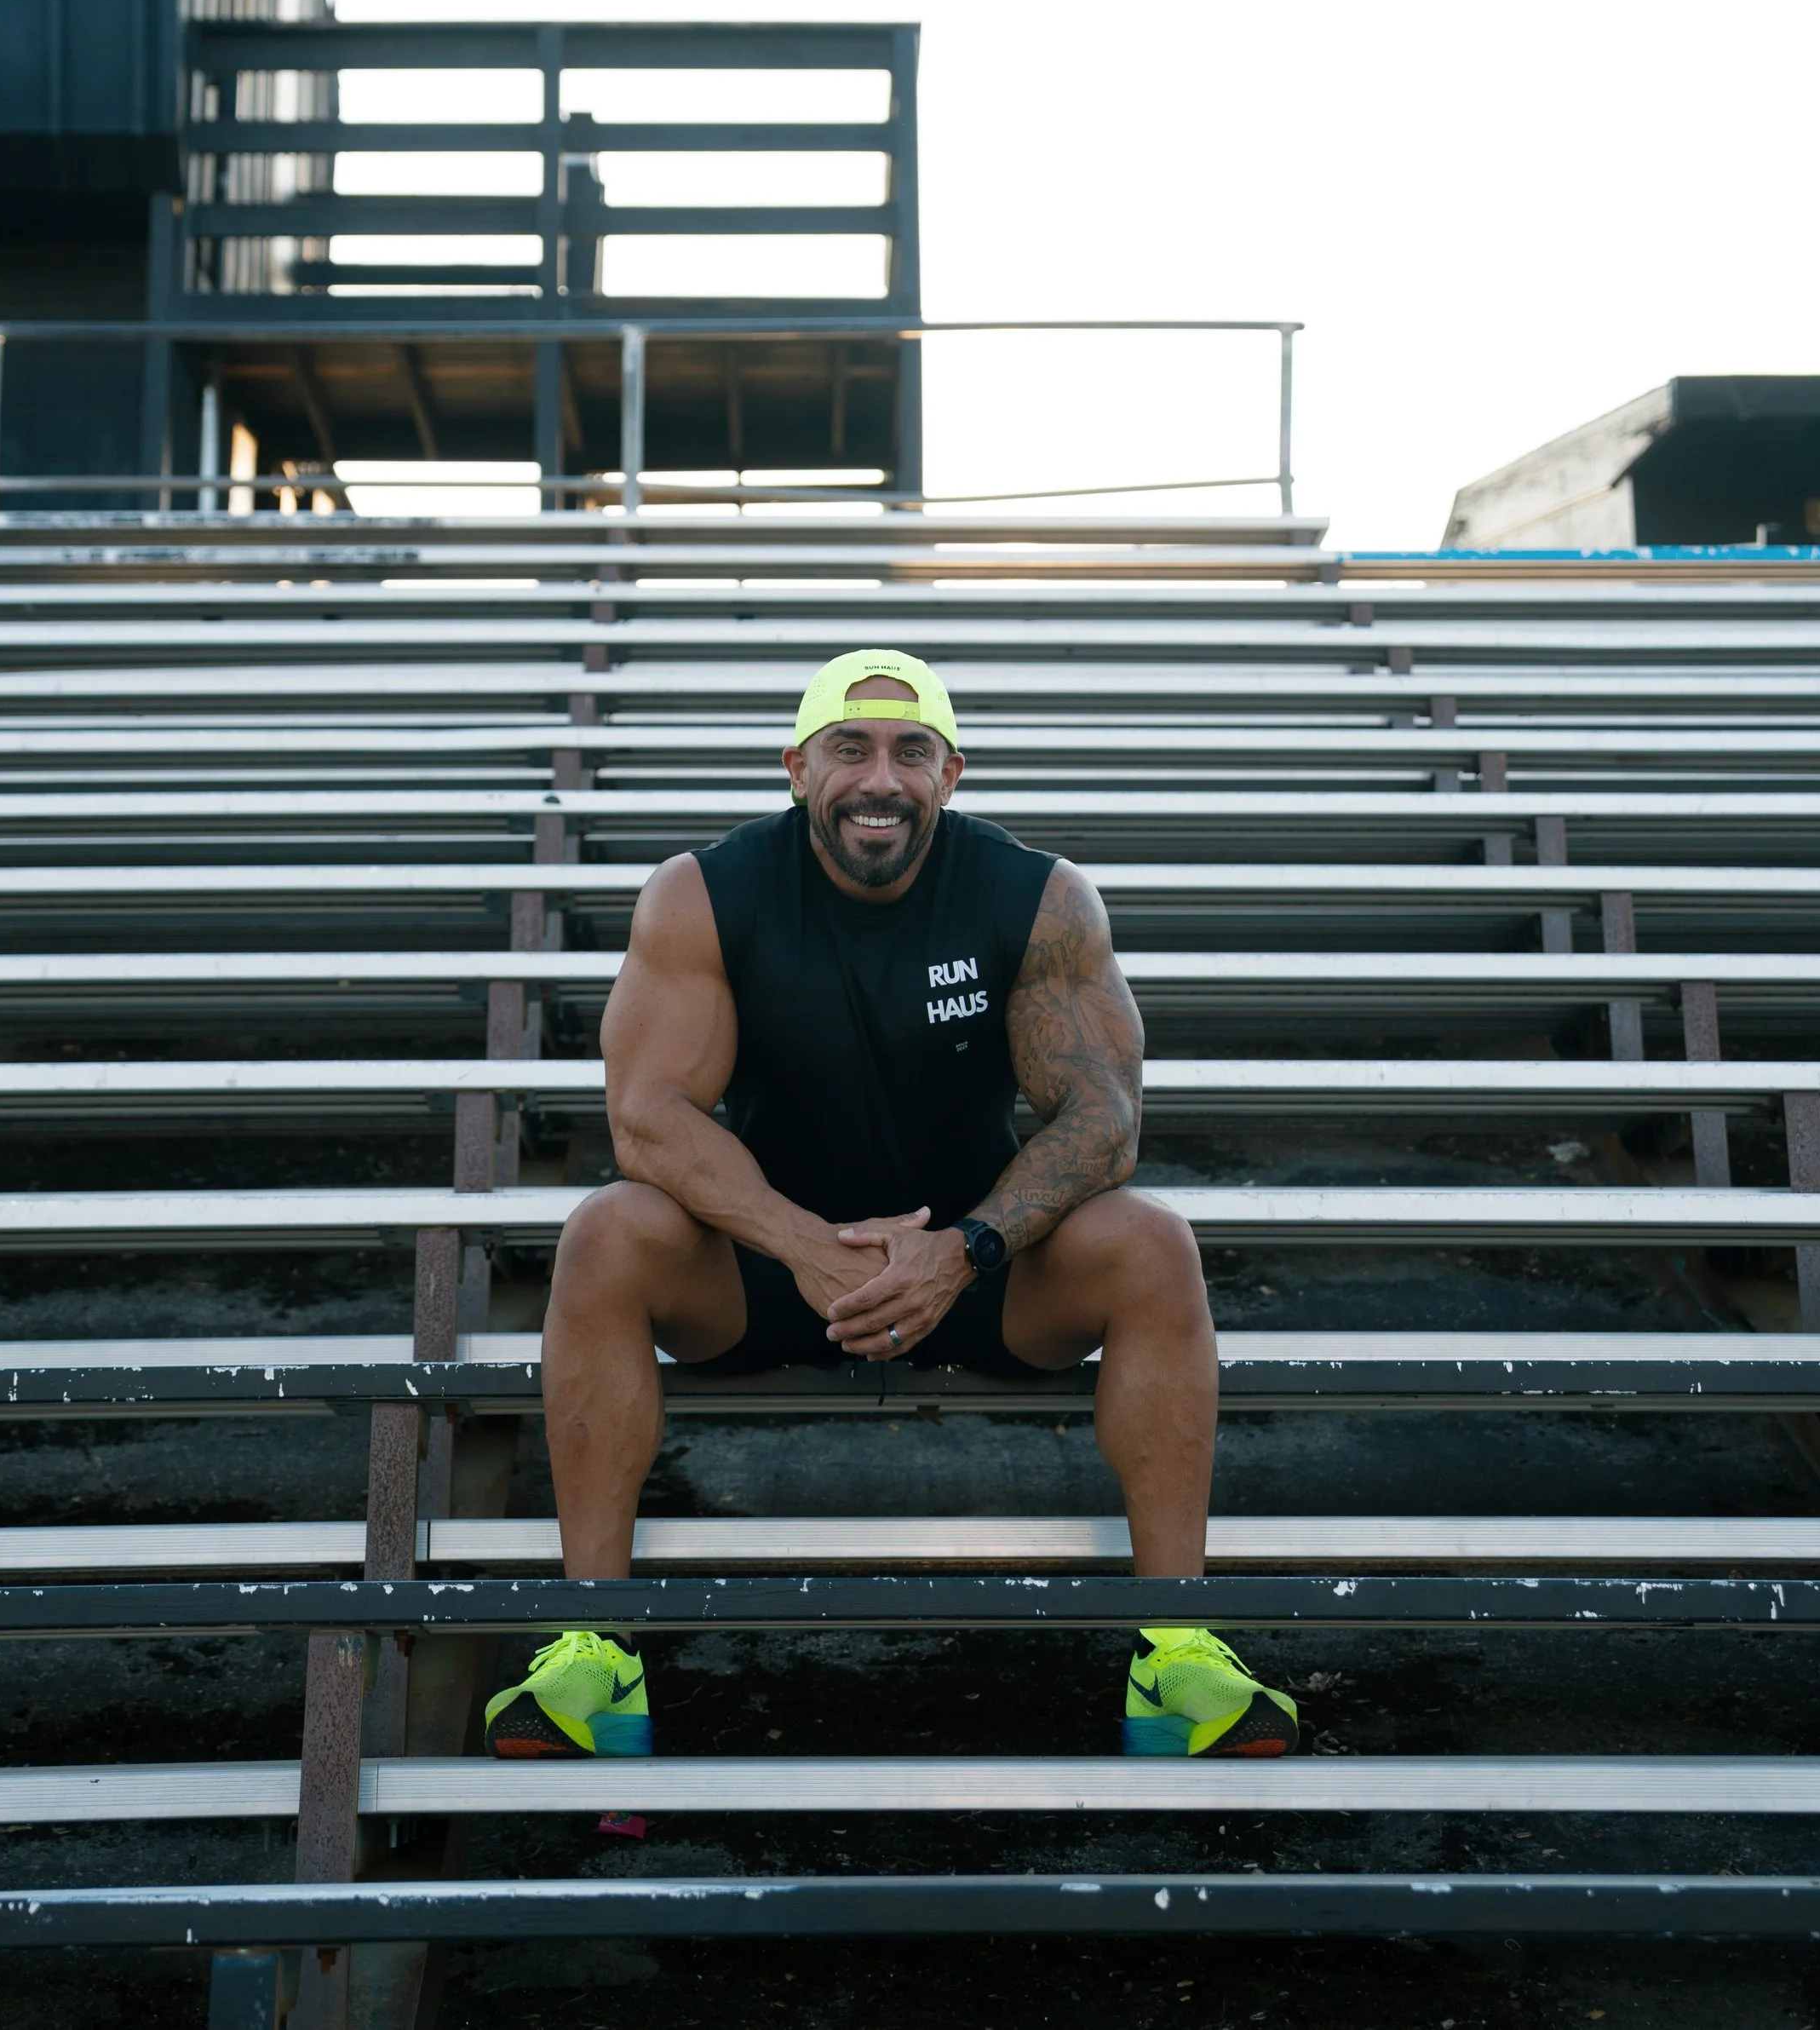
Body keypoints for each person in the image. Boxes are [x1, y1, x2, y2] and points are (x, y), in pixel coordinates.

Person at [485, 647, 1296, 1764]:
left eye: (912, 750)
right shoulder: (706, 891)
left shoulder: (1039, 896)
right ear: (796, 766)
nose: (881, 777)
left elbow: (1103, 1115)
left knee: (1152, 1242)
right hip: (767, 1265)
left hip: (977, 1262)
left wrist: (962, 1251)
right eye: (849, 748)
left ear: (952, 772)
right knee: (605, 1233)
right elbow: (648, 1113)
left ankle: (1177, 1653)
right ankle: (594, 1650)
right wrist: (803, 1243)